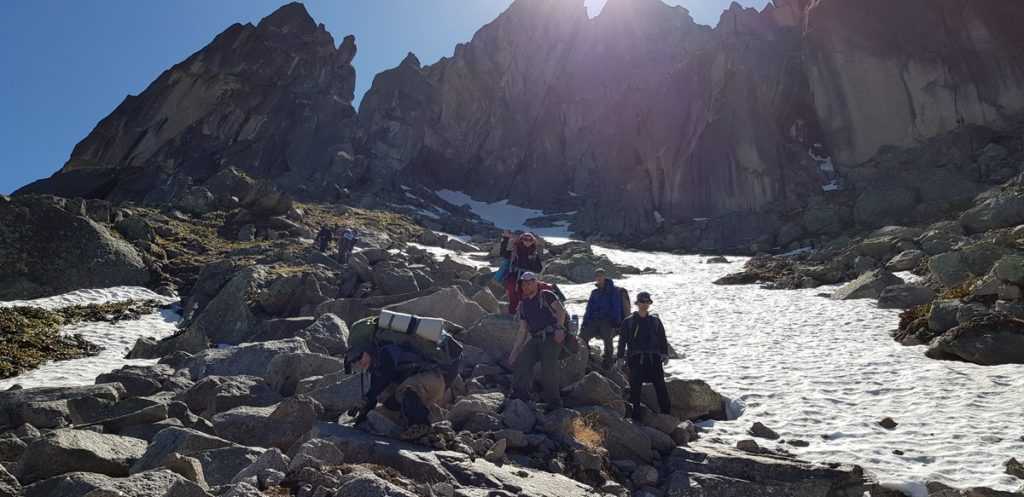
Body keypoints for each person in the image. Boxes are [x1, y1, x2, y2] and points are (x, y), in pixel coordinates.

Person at [345, 340, 447, 440]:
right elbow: (374, 396)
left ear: (366, 351)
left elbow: (384, 377)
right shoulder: (376, 366)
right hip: (423, 386)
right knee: (387, 401)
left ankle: (421, 425)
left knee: (403, 390)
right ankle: (410, 426)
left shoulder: (386, 352)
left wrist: (366, 398)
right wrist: (360, 419)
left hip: (432, 378)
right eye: (355, 362)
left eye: (359, 358)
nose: (359, 363)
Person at [508, 272, 568, 410]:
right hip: (535, 338)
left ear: (536, 283)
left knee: (548, 369)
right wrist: (514, 352)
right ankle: (520, 395)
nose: (526, 285)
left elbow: (561, 311)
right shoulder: (523, 304)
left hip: (551, 336)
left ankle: (554, 403)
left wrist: (559, 328)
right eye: (524, 283)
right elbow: (523, 330)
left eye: (530, 282)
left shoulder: (546, 295)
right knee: (523, 361)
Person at [617, 291, 671, 421]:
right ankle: (636, 417)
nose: (645, 304)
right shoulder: (628, 322)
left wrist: (665, 354)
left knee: (660, 387)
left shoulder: (655, 321)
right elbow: (622, 340)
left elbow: (662, 338)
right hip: (636, 359)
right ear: (637, 303)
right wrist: (619, 357)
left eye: (647, 302)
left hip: (654, 359)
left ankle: (667, 416)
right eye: (642, 302)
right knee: (635, 388)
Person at [581, 268, 624, 368]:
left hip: (608, 320)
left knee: (607, 337)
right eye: (597, 276)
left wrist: (616, 322)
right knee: (582, 336)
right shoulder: (594, 293)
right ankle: (586, 356)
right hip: (595, 320)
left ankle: (608, 360)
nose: (599, 278)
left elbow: (616, 306)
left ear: (605, 276)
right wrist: (585, 322)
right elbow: (589, 309)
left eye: (601, 276)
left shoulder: (613, 291)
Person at [499, 231, 543, 314]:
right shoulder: (515, 251)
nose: (527, 241)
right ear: (521, 240)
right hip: (515, 278)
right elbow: (503, 253)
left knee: (527, 298)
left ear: (533, 241)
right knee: (514, 298)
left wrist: (532, 265)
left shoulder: (534, 253)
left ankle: (525, 316)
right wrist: (505, 239)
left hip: (527, 278)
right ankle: (513, 316)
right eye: (525, 239)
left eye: (530, 240)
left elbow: (539, 269)